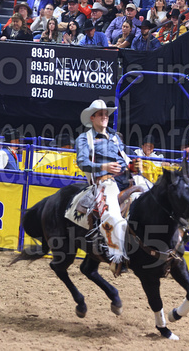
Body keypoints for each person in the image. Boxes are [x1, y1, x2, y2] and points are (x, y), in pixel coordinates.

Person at [75, 99, 140, 265]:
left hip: (126, 180)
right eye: (101, 114)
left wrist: (133, 166)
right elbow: (82, 162)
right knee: (112, 214)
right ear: (92, 118)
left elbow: (123, 160)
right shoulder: (85, 139)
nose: (105, 117)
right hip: (105, 181)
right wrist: (104, 166)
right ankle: (116, 256)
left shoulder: (115, 138)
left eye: (106, 114)